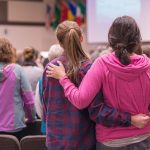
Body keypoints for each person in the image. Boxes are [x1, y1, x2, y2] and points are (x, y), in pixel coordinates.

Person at [47, 16, 150, 150]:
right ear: (137, 39)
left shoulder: (102, 64)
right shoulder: (147, 65)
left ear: (111, 38)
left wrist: (63, 78)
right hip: (143, 137)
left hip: (110, 141)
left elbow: (80, 100)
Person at [0, 38, 36, 140]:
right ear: (10, 51)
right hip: (15, 126)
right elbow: (29, 100)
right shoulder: (17, 70)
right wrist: (31, 118)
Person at [35, 44, 63, 134]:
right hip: (68, 130)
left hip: (48, 129)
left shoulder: (41, 81)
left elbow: (39, 110)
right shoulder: (70, 78)